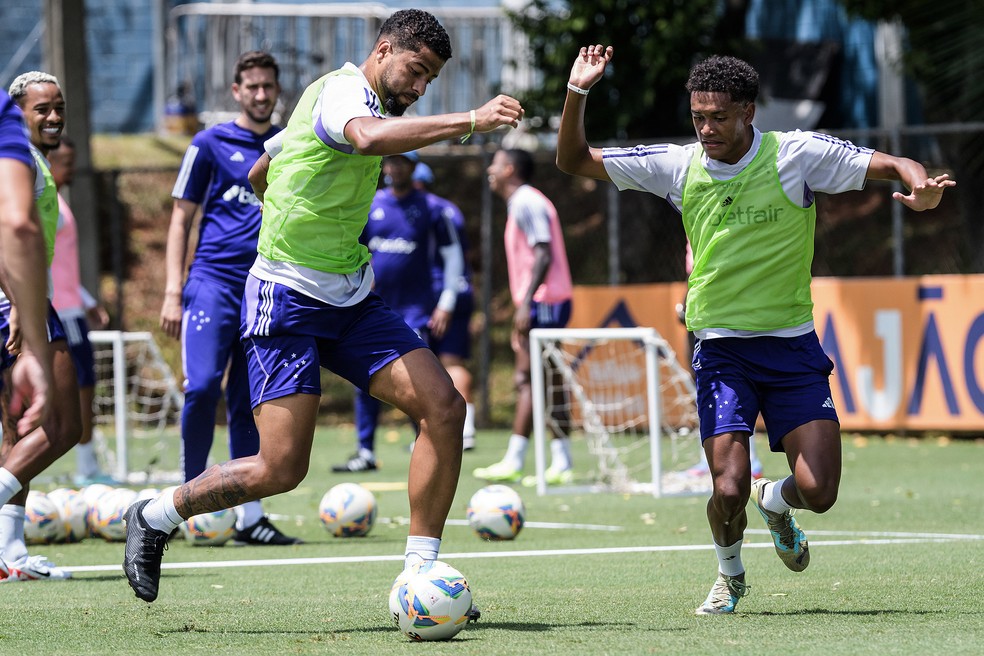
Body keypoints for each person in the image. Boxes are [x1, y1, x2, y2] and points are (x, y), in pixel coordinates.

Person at [123, 8, 523, 604]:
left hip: (350, 297)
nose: (418, 88)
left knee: (443, 407)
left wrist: (282, 201)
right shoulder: (341, 93)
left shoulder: (350, 104)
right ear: (384, 50)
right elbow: (363, 137)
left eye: (430, 81)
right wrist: (469, 119)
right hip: (284, 299)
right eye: (416, 71)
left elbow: (265, 166)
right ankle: (155, 514)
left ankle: (420, 571)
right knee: (281, 469)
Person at [556, 46, 955, 615]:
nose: (706, 128)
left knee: (819, 491)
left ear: (748, 111)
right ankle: (730, 576)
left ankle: (776, 500)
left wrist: (922, 186)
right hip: (721, 349)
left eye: (718, 116)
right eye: (698, 116)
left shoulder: (796, 155)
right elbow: (573, 160)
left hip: (792, 346)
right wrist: (578, 91)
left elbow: (889, 164)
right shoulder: (677, 164)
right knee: (725, 486)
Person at [159, 51, 299, 546]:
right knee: (200, 389)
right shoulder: (208, 143)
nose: (261, 94)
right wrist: (173, 291)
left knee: (250, 403)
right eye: (252, 87)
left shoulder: (293, 142)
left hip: (266, 287)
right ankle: (173, 508)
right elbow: (181, 220)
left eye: (269, 86)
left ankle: (250, 518)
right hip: (212, 285)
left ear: (277, 91)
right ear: (236, 92)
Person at [0, 71, 85, 582]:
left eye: (59, 108)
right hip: (17, 302)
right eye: (41, 110)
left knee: (19, 431)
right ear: (17, 114)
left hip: (20, 299)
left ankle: (9, 553)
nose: (53, 117)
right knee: (63, 425)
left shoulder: (31, 160)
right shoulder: (18, 162)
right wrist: (17, 306)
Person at [333, 151, 465, 472]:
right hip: (371, 310)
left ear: (412, 166)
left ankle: (423, 440)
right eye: (389, 161)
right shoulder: (372, 203)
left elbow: (453, 256)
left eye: (401, 162)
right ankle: (365, 451)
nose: (394, 167)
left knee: (420, 385)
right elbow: (352, 248)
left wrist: (446, 303)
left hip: (415, 312)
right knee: (362, 378)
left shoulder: (432, 208)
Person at [473, 148, 574, 485]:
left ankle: (519, 459)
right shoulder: (523, 201)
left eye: (496, 164)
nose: (490, 169)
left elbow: (543, 252)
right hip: (545, 300)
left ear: (510, 169)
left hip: (545, 301)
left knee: (530, 378)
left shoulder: (525, 201)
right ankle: (560, 461)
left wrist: (525, 302)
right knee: (543, 379)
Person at [46, 136, 114, 485]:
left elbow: (60, 267)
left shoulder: (55, 198)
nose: (71, 167)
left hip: (72, 307)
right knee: (81, 388)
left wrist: (87, 300)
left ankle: (87, 467)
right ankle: (87, 470)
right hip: (62, 312)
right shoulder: (46, 202)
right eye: (66, 161)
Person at [413, 161, 478, 451]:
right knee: (451, 362)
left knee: (443, 364)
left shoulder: (428, 209)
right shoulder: (451, 208)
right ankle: (467, 429)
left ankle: (458, 431)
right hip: (459, 290)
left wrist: (444, 300)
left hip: (441, 294)